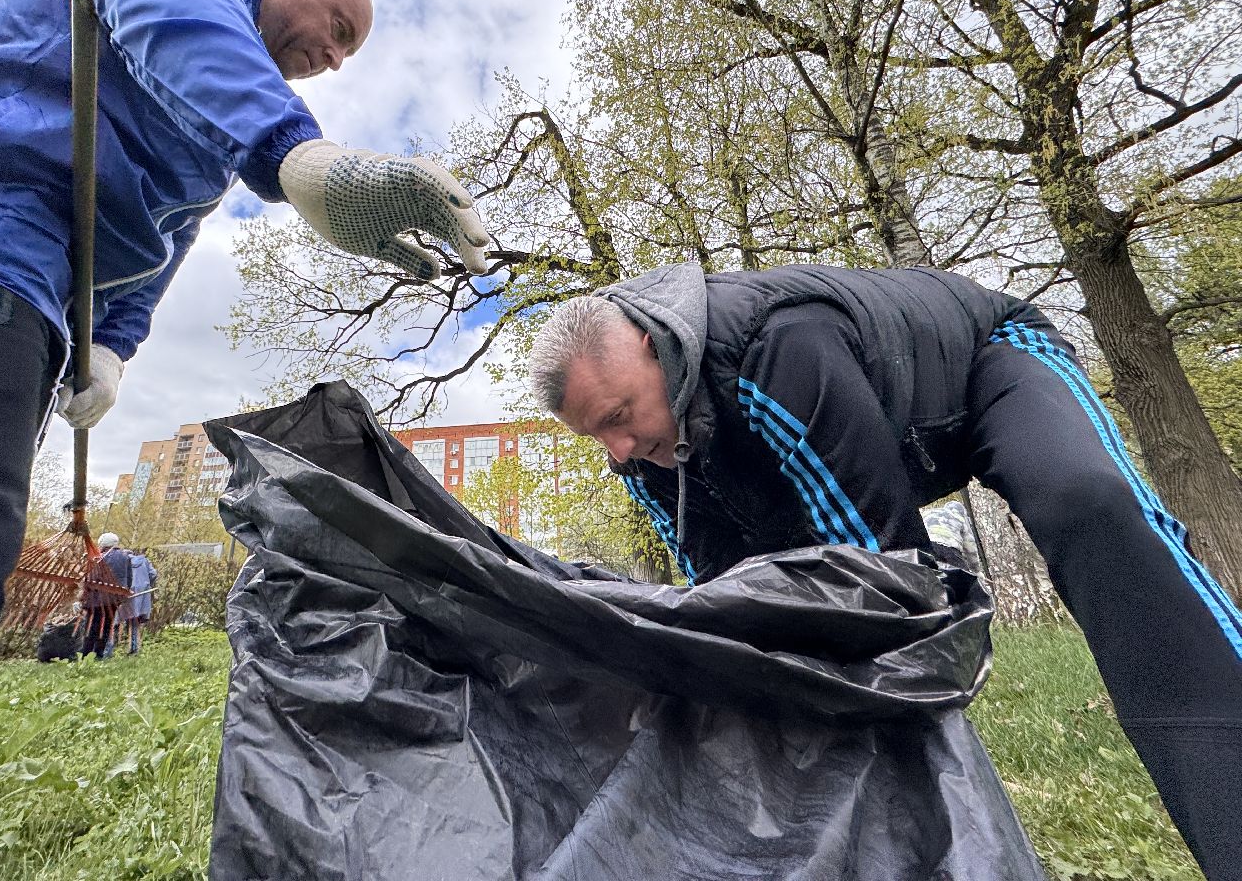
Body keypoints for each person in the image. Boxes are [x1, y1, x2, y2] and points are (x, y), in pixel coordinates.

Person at [0, 0, 490, 877]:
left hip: (17, 297)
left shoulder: (215, 129)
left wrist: (114, 346)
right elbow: (175, 19)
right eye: (337, 29)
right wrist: (299, 154)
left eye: (347, 55)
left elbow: (159, 242)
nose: (334, 59)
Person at [527, 261, 1242, 879]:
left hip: (986, 362)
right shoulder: (644, 454)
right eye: (597, 436)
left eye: (619, 415)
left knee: (1086, 505)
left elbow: (886, 574)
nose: (619, 450)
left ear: (653, 349)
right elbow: (723, 604)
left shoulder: (777, 346)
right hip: (868, 432)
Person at [80, 532, 134, 660]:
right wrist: (124, 593)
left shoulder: (100, 558)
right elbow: (129, 578)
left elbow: (91, 579)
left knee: (92, 627)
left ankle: (85, 655)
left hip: (97, 599)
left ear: (103, 544)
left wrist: (83, 594)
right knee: (106, 626)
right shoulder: (125, 557)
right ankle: (99, 654)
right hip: (114, 599)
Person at [118, 548, 158, 655]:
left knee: (118, 619)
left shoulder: (123, 562)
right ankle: (134, 647)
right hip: (142, 594)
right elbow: (153, 574)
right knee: (135, 621)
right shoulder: (144, 561)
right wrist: (147, 584)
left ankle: (114, 647)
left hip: (127, 593)